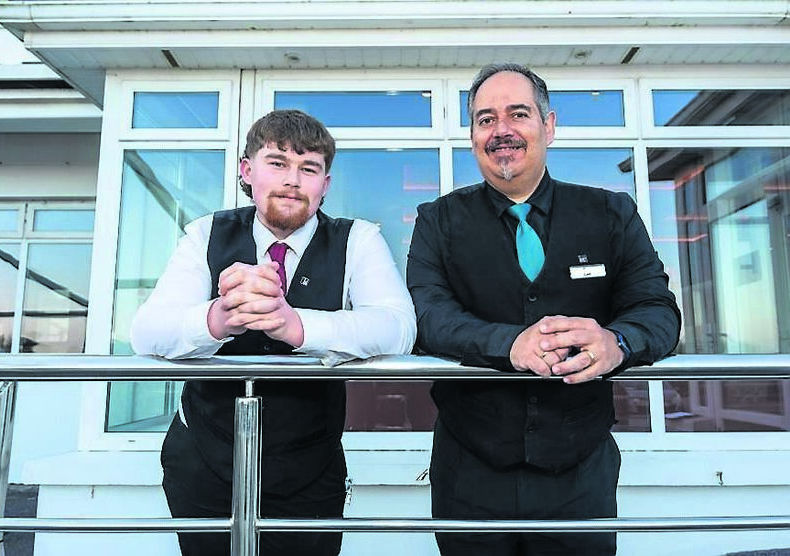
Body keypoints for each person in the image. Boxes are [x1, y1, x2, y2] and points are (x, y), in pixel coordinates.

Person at [406, 63, 681, 555]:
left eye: (518, 114)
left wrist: (617, 343)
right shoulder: (437, 221)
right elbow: (426, 317)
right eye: (486, 119)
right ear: (472, 136)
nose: (501, 130)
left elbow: (658, 310)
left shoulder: (611, 213)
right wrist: (509, 345)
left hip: (579, 472)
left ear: (548, 126)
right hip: (469, 471)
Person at [130, 109, 416, 556]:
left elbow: (398, 327)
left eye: (309, 168)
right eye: (278, 163)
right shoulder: (205, 233)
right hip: (203, 457)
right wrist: (219, 318)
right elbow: (147, 332)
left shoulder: (358, 239)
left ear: (326, 184)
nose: (292, 180)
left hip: (309, 465)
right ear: (248, 171)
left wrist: (296, 325)